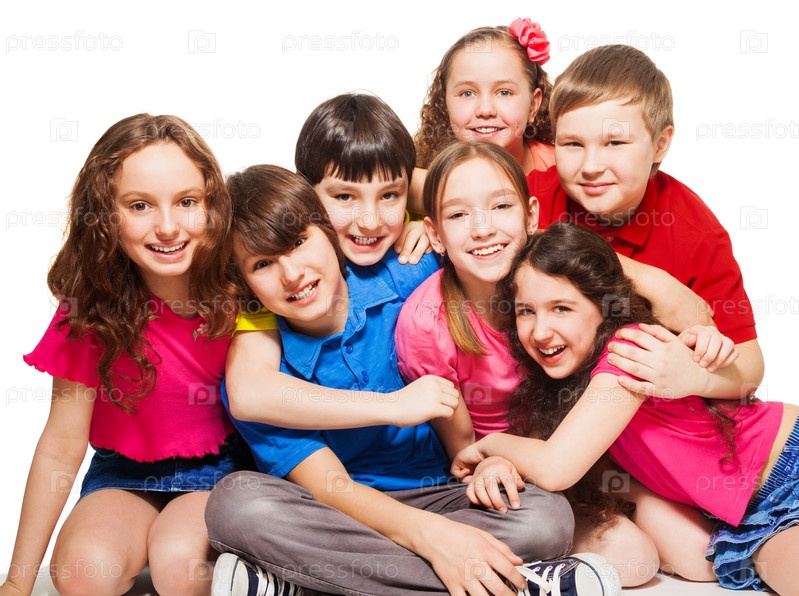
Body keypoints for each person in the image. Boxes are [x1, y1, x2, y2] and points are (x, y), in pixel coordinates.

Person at [206, 165, 609, 596]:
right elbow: (330, 487)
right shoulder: (262, 373)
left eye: (299, 242)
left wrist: (421, 226)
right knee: (237, 503)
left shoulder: (407, 272)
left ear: (327, 228)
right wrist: (430, 538)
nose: (291, 274)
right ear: (244, 285)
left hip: (444, 495)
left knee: (546, 517)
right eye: (263, 264)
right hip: (339, 513)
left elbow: (497, 239)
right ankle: (515, 584)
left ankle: (307, 584)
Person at [453, 222, 799, 594]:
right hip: (755, 515)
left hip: (787, 472)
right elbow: (542, 456)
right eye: (526, 311)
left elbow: (554, 467)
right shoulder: (565, 390)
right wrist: (498, 462)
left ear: (604, 308)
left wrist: (488, 445)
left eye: (562, 308)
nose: (540, 332)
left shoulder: (627, 353)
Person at [526, 44, 766, 578]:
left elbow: (749, 367)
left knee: (704, 557)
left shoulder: (694, 230)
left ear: (660, 143)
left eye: (615, 143)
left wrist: (695, 376)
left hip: (659, 441)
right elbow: (451, 193)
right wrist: (414, 223)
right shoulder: (537, 198)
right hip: (562, 431)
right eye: (572, 143)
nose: (591, 165)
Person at [396, 140, 668, 586]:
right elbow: (463, 452)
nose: (482, 229)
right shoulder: (427, 323)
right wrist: (491, 464)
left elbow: (643, 305)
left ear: (531, 216)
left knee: (665, 550)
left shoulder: (557, 279)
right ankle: (522, 578)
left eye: (501, 206)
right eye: (458, 215)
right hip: (505, 469)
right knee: (629, 557)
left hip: (581, 453)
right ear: (435, 233)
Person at [0, 114, 251, 596]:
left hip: (224, 470)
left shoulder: (241, 288)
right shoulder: (89, 311)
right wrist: (17, 581)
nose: (168, 227)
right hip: (124, 473)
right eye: (139, 205)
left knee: (180, 565)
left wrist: (405, 224)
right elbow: (61, 444)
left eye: (187, 202)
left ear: (212, 205)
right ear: (106, 216)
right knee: (82, 572)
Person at [223, 93, 458, 435]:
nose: (370, 222)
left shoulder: (415, 243)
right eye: (344, 197)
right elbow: (248, 393)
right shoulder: (280, 273)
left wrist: (431, 223)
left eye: (390, 195)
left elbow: (477, 192)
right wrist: (392, 406)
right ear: (305, 194)